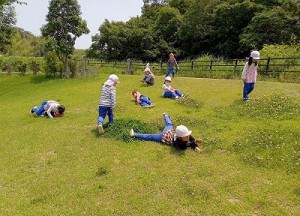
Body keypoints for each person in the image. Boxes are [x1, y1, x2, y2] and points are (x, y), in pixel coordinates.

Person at [130, 113, 202, 152]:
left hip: (170, 131)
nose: (188, 136)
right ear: (180, 138)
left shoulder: (185, 135)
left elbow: (192, 140)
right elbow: (186, 145)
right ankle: (135, 134)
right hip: (164, 136)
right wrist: (194, 144)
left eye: (188, 135)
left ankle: (166, 115)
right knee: (150, 136)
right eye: (186, 136)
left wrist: (196, 146)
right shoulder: (179, 143)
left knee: (169, 124)